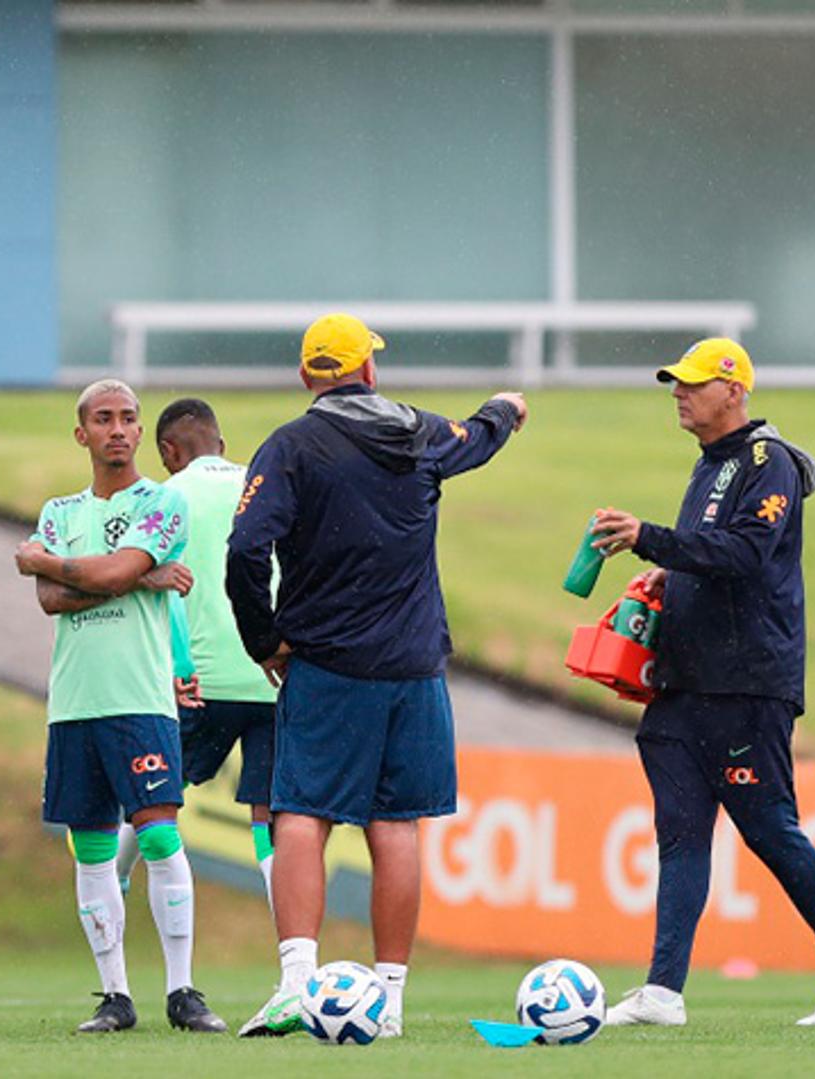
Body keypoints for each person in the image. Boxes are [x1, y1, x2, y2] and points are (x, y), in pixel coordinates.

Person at [226, 314, 526, 1039]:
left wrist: (262, 638)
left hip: (327, 664)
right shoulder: (421, 434)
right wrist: (506, 408)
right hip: (415, 664)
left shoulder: (292, 446)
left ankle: (298, 983)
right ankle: (388, 999)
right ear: (369, 370)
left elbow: (244, 547)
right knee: (396, 826)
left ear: (307, 379)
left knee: (301, 814)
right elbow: (477, 438)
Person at [589, 339, 815, 1028]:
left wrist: (651, 540)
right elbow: (715, 557)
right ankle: (663, 990)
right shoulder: (709, 466)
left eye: (692, 384)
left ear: (735, 392)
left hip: (748, 681)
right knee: (680, 832)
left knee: (771, 829)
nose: (678, 393)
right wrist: (671, 574)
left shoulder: (766, 461)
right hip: (686, 683)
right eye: (675, 383)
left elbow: (748, 551)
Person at [14, 379, 225, 1036]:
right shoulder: (59, 510)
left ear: (140, 433)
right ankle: (115, 995)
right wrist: (140, 575)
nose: (117, 429)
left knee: (160, 834)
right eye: (103, 419)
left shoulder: (162, 502)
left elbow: (85, 577)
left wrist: (68, 565)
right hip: (75, 700)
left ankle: (184, 989)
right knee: (91, 847)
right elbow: (50, 600)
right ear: (81, 433)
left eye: (128, 418)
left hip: (140, 697)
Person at [154, 398, 280, 907]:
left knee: (151, 802)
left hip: (199, 682)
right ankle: (292, 962)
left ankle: (110, 892)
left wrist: (178, 667)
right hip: (271, 678)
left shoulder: (166, 496)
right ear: (221, 445)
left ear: (169, 451)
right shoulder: (263, 487)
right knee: (272, 821)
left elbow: (164, 592)